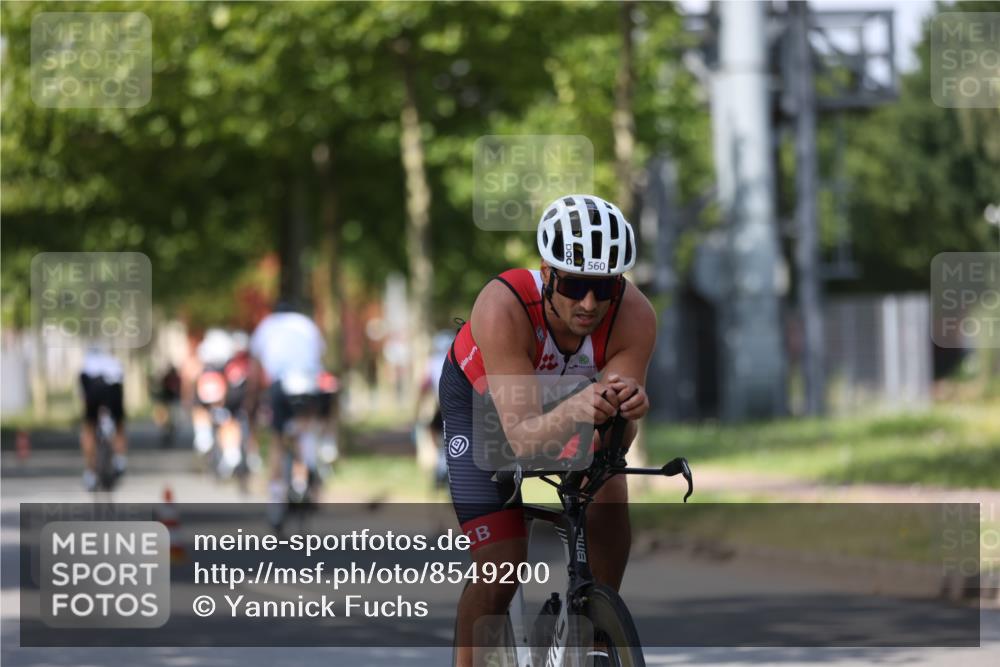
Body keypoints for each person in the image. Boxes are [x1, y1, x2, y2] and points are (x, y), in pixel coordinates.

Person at [439, 194, 655, 666]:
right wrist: (581, 405)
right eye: (575, 284)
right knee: (501, 564)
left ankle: (598, 638)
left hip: (563, 405)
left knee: (609, 490)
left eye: (604, 286)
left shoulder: (634, 315)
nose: (590, 302)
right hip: (486, 408)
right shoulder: (504, 305)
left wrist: (626, 412)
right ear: (547, 271)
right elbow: (519, 439)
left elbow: (616, 442)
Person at [246, 302, 326, 514]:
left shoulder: (266, 326)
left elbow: (254, 370)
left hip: (281, 385)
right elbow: (320, 358)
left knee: (277, 440)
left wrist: (252, 400)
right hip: (308, 384)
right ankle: (307, 473)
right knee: (305, 430)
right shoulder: (307, 325)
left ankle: (275, 497)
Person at [79, 345, 127, 490]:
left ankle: (90, 473)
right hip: (113, 387)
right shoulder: (113, 360)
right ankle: (119, 459)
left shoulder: (86, 364)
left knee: (89, 428)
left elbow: (83, 394)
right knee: (119, 424)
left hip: (92, 387)